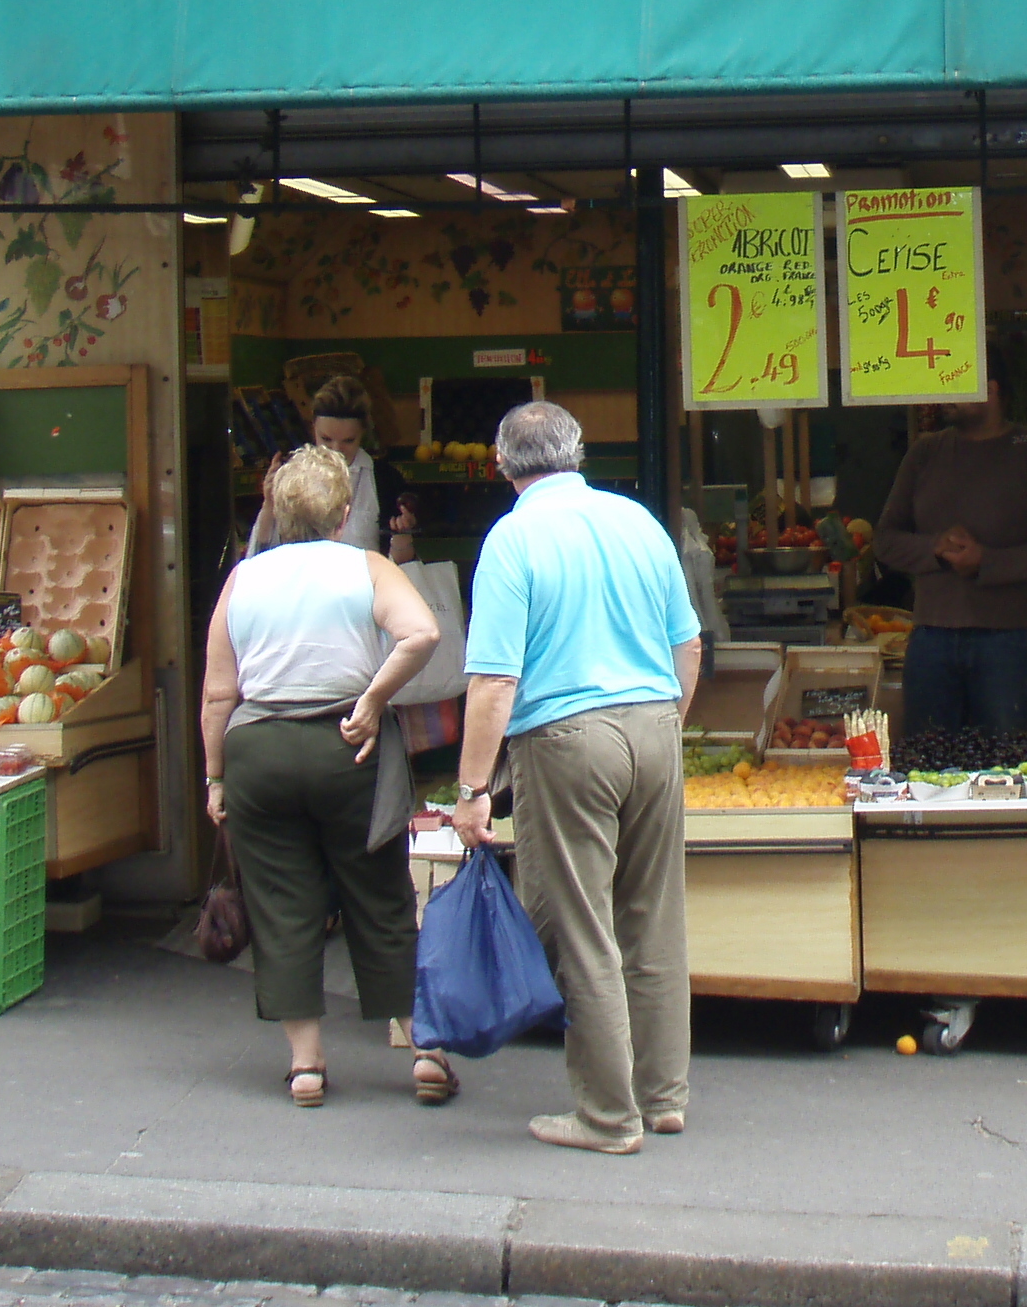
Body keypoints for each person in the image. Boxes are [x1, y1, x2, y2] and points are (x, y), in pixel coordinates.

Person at [449, 402, 697, 1155]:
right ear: (578, 453)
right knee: (654, 917)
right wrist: (664, 727)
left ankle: (606, 1117)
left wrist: (469, 794)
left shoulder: (512, 538)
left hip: (565, 737)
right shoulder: (637, 521)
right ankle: (663, 1097)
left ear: (502, 465)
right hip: (656, 722)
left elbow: (494, 680)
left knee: (582, 926)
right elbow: (688, 647)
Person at [202, 443, 451, 1110]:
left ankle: (306, 1066)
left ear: (278, 513)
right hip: (350, 748)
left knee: (283, 906)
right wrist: (373, 700)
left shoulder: (243, 580)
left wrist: (215, 777)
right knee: (381, 898)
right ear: (343, 514)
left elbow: (218, 694)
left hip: (258, 749)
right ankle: (424, 1051)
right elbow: (422, 633)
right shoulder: (366, 568)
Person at [876, 351, 1027, 737]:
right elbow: (885, 541)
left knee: (1000, 766)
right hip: (931, 637)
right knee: (924, 762)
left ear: (990, 390)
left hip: (1008, 639)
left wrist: (988, 562)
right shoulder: (925, 453)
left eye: (955, 383)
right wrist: (934, 549)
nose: (944, 395)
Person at [249, 373, 417, 563]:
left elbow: (402, 567)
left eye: (348, 441)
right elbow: (258, 557)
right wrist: (270, 504)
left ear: (363, 433)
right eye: (326, 439)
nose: (336, 451)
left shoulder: (384, 479)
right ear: (313, 428)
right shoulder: (292, 475)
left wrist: (403, 534)